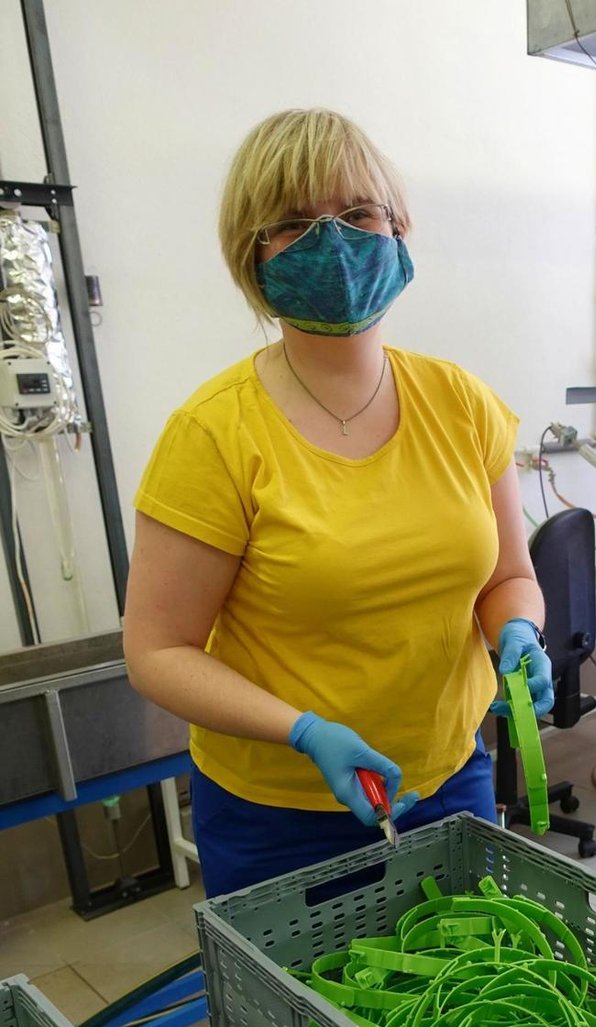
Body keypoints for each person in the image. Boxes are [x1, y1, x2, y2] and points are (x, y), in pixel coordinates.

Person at [124, 108, 553, 898]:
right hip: (280, 814)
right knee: (301, 1022)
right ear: (251, 257)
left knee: (463, 1009)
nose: (335, 241)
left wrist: (518, 627)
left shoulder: (461, 403)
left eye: (358, 214)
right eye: (294, 223)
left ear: (399, 228)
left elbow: (507, 577)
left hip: (449, 781)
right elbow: (157, 650)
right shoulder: (214, 434)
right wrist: (302, 731)